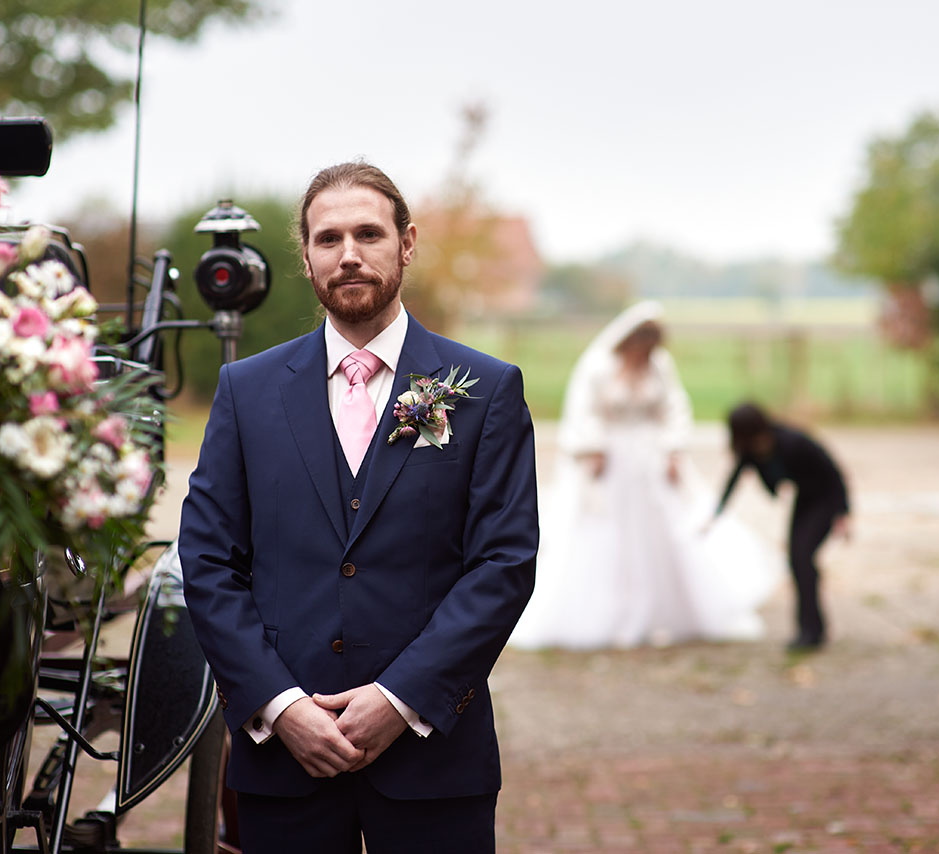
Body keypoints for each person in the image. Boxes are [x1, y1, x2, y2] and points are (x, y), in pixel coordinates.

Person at [178, 162, 539, 853]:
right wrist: (281, 708)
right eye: (328, 238)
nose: (348, 254)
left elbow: (503, 565)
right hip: (285, 766)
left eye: (368, 234)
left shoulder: (485, 391)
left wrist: (400, 700)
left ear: (406, 243)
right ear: (306, 257)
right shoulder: (244, 392)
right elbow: (208, 562)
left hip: (434, 763)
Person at [508, 302, 781, 651]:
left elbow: (675, 407)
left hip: (650, 459)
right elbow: (584, 410)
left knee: (658, 532)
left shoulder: (660, 367)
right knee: (611, 533)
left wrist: (673, 449)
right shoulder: (600, 366)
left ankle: (663, 612)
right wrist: (593, 448)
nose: (647, 351)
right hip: (613, 460)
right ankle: (616, 613)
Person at [706, 401, 851, 652]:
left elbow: (832, 470)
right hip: (805, 501)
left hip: (825, 500)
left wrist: (843, 512)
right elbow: (734, 479)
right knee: (798, 561)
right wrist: (716, 514)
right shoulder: (750, 450)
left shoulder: (794, 441)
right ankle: (811, 629)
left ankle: (810, 631)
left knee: (802, 557)